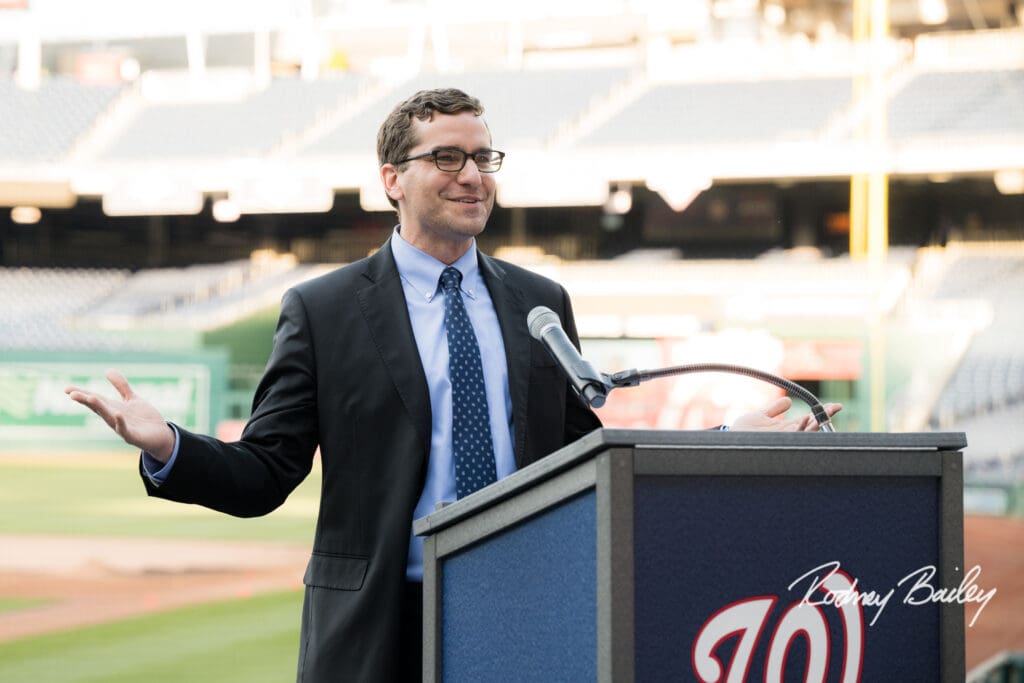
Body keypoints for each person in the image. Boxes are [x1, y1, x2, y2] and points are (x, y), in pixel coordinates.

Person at [66, 88, 841, 682]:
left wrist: (727, 443)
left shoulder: (541, 302)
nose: (472, 176)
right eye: (447, 157)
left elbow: (589, 466)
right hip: (379, 628)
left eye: (483, 157)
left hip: (524, 613)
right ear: (391, 179)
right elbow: (267, 470)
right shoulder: (324, 309)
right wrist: (167, 444)